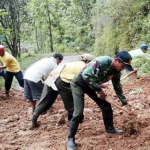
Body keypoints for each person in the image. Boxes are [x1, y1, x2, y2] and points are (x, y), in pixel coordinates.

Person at [67, 50, 134, 150]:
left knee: (106, 106)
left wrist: (124, 102)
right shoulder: (100, 62)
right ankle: (70, 138)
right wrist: (99, 90)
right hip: (79, 84)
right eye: (123, 66)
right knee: (78, 112)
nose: (123, 69)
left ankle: (109, 128)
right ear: (116, 60)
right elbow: (86, 76)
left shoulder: (117, 71)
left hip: (93, 84)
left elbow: (117, 87)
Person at [31, 54, 93, 128]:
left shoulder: (74, 63)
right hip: (61, 80)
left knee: (45, 100)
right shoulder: (84, 66)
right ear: (88, 61)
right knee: (71, 101)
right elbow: (85, 80)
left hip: (52, 77)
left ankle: (33, 121)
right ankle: (71, 120)